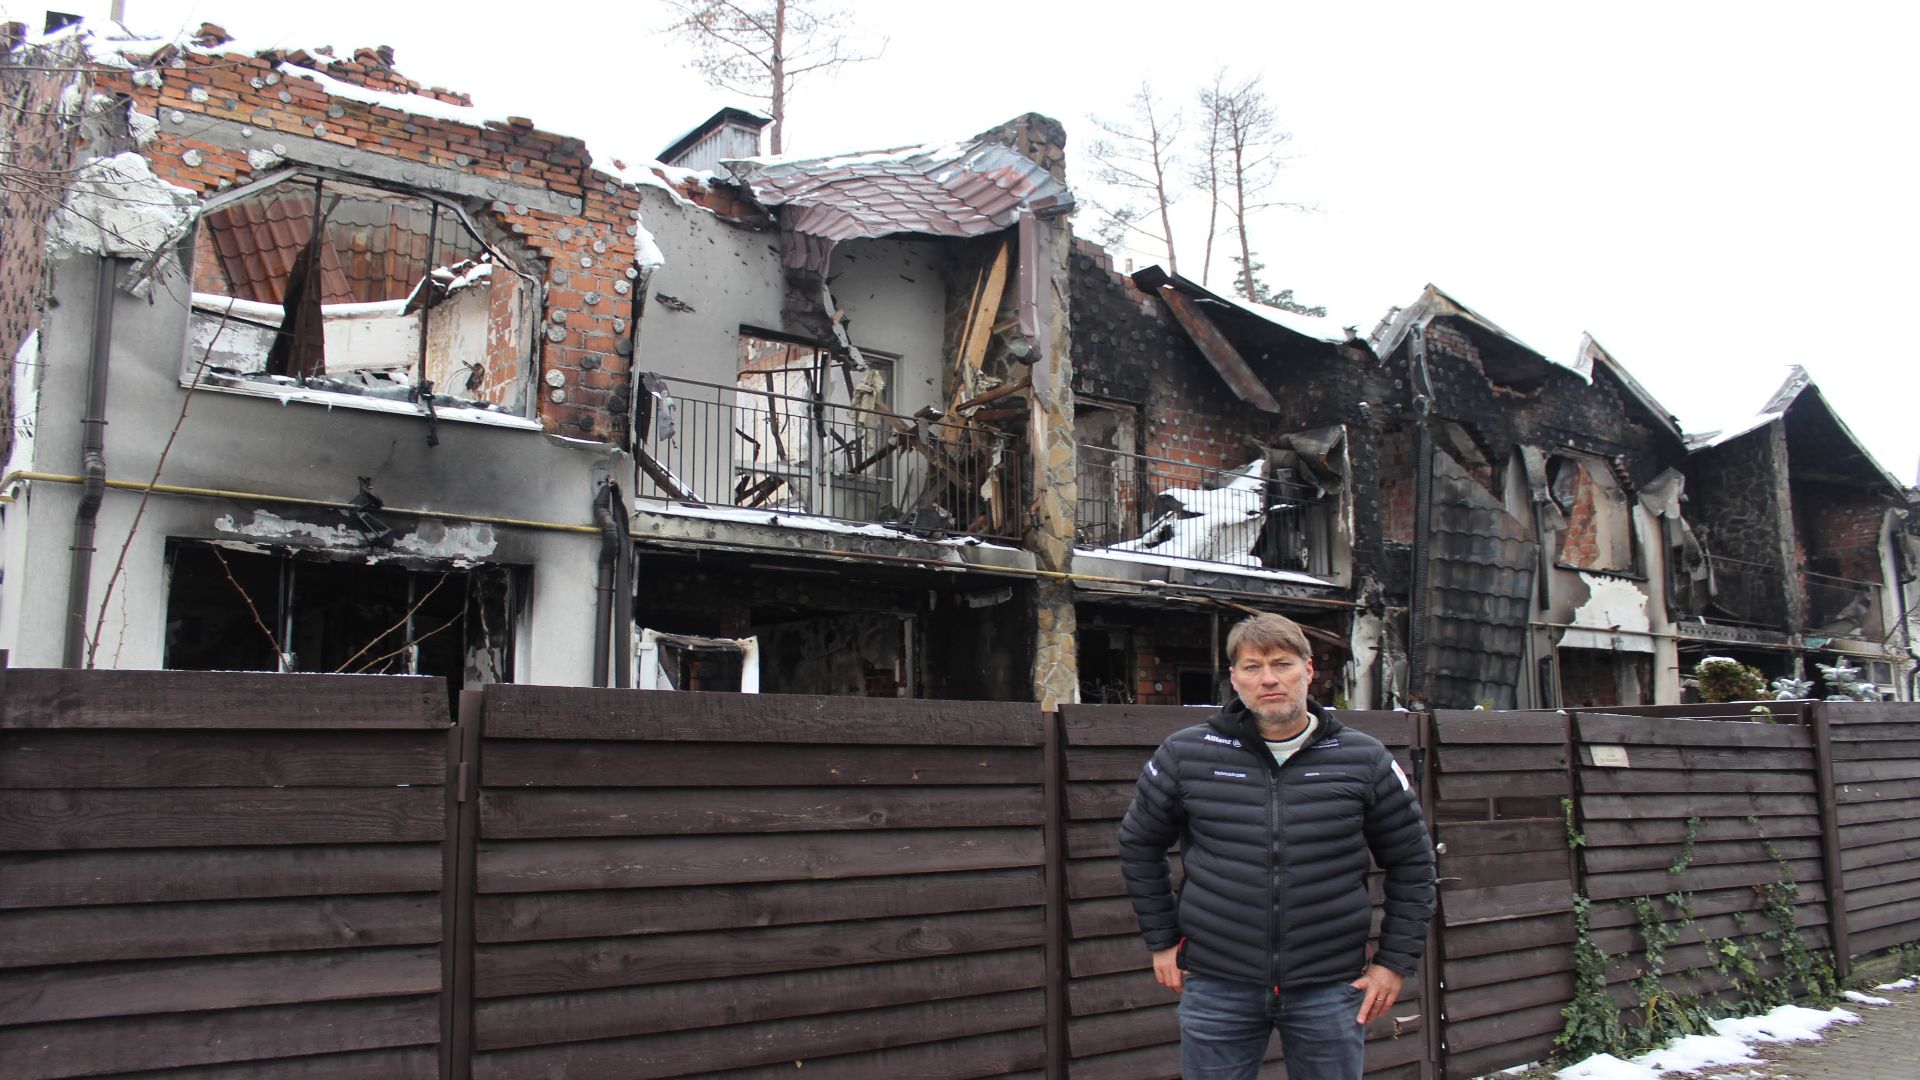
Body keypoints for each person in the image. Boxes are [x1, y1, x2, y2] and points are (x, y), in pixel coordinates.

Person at [1116, 613, 1435, 1079]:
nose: (1268, 679)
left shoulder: (1363, 759)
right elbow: (1138, 844)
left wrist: (1393, 964)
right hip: (1217, 984)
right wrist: (1162, 942)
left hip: (1330, 985)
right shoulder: (1187, 754)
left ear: (1308, 671)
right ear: (1234, 678)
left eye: (1281, 664)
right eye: (1251, 667)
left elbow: (1412, 863)